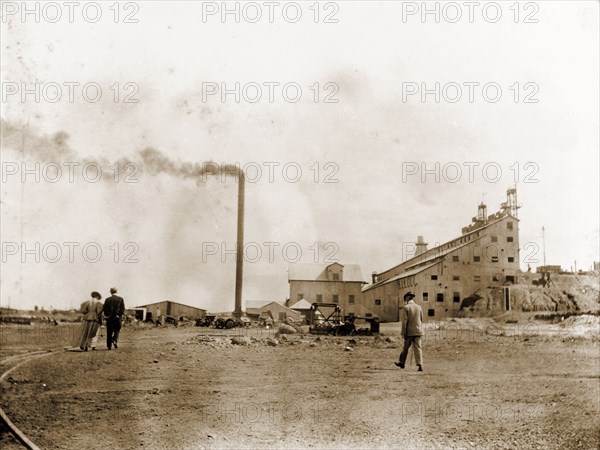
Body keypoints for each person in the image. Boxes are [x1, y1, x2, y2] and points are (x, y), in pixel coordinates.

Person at [395, 292, 424, 372]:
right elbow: (421, 319)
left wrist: (403, 333)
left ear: (407, 298)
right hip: (418, 331)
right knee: (418, 348)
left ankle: (402, 363)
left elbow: (404, 321)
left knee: (405, 348)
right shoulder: (419, 307)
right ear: (413, 298)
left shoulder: (406, 307)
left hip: (409, 332)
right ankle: (420, 365)